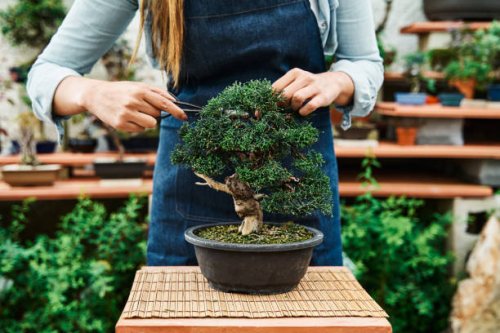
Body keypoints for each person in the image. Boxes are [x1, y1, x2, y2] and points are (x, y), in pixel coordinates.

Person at [28, 0, 383, 266]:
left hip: (298, 186)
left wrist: (336, 81)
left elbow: (364, 63)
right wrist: (90, 93)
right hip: (192, 188)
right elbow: (47, 73)